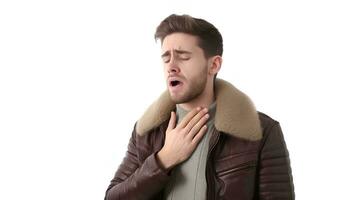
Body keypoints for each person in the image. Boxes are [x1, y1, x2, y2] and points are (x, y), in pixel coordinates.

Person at [105, 14, 295, 200]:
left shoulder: (261, 132)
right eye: (166, 58)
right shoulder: (147, 132)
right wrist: (163, 160)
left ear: (214, 65)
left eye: (183, 57)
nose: (171, 66)